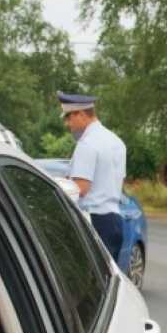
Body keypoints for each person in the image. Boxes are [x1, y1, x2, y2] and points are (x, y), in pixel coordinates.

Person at [58, 91, 127, 261]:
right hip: (114, 221)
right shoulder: (116, 141)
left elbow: (80, 189)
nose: (68, 124)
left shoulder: (87, 144)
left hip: (94, 222)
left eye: (69, 118)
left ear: (80, 114)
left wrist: (58, 188)